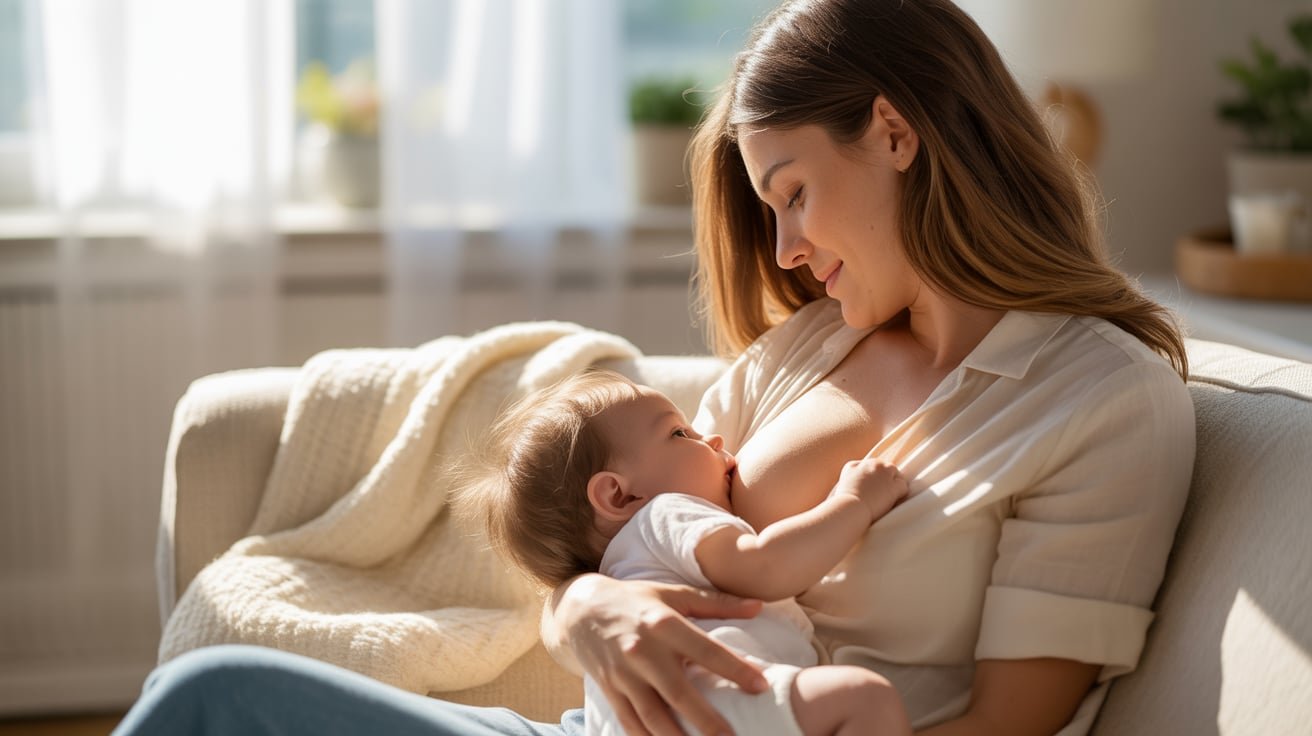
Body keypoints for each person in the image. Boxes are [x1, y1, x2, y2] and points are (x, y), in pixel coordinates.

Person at [113, 1, 1195, 734]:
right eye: (767, 210)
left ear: (894, 131)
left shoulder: (1100, 400)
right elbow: (623, 541)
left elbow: (1010, 727)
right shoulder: (818, 345)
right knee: (211, 691)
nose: (782, 253)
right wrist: (584, 609)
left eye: (795, 193)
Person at [449, 369, 912, 736]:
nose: (713, 440)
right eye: (678, 433)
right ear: (618, 496)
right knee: (864, 700)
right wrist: (855, 501)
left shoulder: (627, 568)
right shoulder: (666, 514)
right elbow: (767, 567)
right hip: (709, 704)